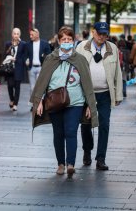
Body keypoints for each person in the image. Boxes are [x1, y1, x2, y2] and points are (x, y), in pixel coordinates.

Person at [30, 26, 98, 177]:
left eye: (69, 39)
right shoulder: (50, 58)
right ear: (58, 41)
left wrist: (89, 105)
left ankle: (70, 164)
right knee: (58, 133)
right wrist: (39, 101)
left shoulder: (80, 60)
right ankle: (60, 163)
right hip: (54, 101)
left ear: (73, 41)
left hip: (76, 102)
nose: (66, 42)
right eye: (63, 39)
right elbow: (42, 82)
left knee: (71, 132)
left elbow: (87, 83)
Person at [76, 21, 123, 170]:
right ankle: (87, 151)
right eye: (100, 33)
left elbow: (118, 72)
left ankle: (101, 158)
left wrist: (118, 95)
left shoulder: (112, 48)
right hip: (85, 94)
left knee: (104, 125)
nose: (102, 36)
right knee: (85, 124)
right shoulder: (82, 47)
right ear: (93, 32)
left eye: (105, 34)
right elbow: (75, 69)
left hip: (104, 94)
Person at [4, 28, 27, 111]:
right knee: (10, 85)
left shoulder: (23, 44)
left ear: (19, 35)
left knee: (17, 86)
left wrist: (17, 60)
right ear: (12, 34)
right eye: (14, 33)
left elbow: (24, 56)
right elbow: (5, 54)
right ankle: (12, 99)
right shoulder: (8, 44)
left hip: (19, 67)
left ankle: (15, 104)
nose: (16, 35)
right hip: (9, 68)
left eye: (17, 34)